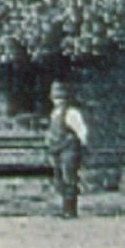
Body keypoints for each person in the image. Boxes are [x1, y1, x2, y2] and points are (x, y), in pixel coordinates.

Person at [46, 81, 89, 218]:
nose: (58, 101)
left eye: (60, 98)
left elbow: (81, 130)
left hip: (69, 149)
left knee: (69, 178)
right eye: (55, 98)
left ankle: (70, 210)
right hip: (58, 149)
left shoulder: (71, 113)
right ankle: (65, 207)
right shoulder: (54, 114)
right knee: (59, 179)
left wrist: (82, 146)